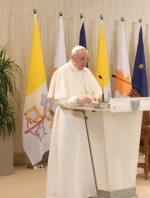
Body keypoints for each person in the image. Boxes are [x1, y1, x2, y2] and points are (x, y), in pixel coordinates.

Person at [46, 46, 102, 198]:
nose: (85, 63)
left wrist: (98, 97)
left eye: (86, 60)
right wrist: (77, 99)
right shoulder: (62, 72)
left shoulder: (87, 72)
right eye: (82, 59)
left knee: (84, 155)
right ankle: (68, 192)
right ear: (73, 58)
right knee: (70, 155)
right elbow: (59, 99)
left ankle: (85, 191)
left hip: (86, 118)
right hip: (69, 118)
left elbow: (97, 90)